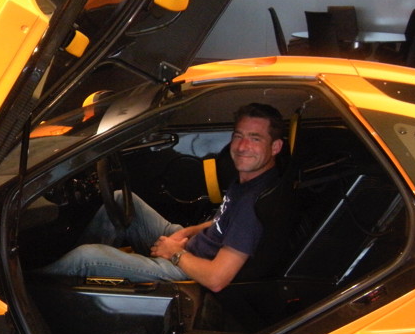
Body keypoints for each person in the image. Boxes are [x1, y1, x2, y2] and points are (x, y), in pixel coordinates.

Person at [40, 103, 285, 292]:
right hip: (193, 247)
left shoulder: (253, 205)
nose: (242, 146)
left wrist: (175, 253)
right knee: (120, 200)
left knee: (86, 258)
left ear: (275, 147)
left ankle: (34, 285)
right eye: (238, 135)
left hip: (190, 271)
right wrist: (188, 232)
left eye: (255, 139)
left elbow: (216, 279)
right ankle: (81, 278)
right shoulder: (251, 178)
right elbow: (223, 223)